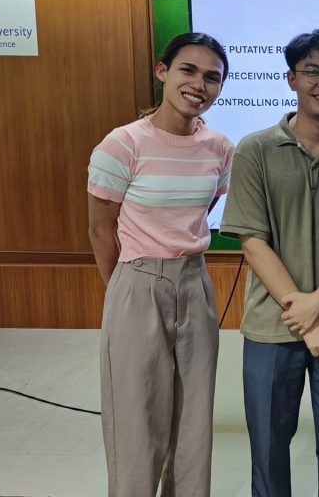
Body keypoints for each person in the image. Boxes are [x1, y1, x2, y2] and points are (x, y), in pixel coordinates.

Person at [219, 27, 319, 497]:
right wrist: (304, 313)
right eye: (312, 71)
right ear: (291, 79)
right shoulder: (255, 149)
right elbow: (252, 240)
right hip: (272, 326)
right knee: (268, 446)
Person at [87, 32, 234, 496]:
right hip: (137, 281)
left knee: (194, 418)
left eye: (212, 77)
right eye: (188, 70)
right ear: (162, 72)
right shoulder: (122, 144)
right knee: (136, 417)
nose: (199, 85)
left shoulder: (220, 148)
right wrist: (125, 288)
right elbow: (100, 230)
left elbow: (201, 211)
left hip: (195, 283)